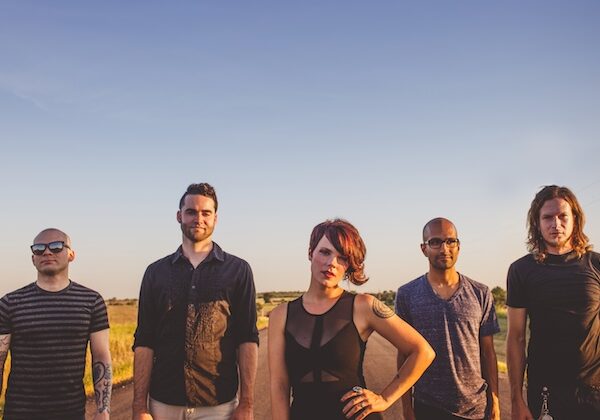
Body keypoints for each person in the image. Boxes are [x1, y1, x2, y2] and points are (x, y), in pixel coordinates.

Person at [269, 219, 435, 420]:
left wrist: (384, 398)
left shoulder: (364, 306)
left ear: (349, 265)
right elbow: (279, 384)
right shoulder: (281, 315)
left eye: (342, 258)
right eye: (325, 252)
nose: (332, 263)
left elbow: (422, 351)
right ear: (310, 252)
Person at [132, 183, 259, 420]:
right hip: (163, 403)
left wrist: (247, 404)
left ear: (215, 219)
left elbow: (247, 338)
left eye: (206, 213)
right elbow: (144, 340)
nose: (198, 218)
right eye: (191, 212)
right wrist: (139, 405)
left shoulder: (238, 271)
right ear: (179, 216)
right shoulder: (155, 272)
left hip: (218, 404)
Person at [506, 185, 600, 420]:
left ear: (575, 220)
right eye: (547, 217)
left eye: (562, 216)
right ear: (536, 223)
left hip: (595, 392)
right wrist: (517, 400)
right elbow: (516, 337)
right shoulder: (521, 270)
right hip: (546, 391)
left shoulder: (596, 265)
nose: (555, 224)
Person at [0, 228, 112, 420]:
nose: (47, 252)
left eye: (56, 246)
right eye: (38, 249)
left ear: (71, 255)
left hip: (71, 413)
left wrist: (103, 411)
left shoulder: (92, 301)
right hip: (19, 413)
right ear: (33, 258)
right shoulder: (9, 303)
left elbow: (101, 357)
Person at [395, 218, 500, 420]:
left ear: (458, 247)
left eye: (450, 241)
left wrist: (494, 402)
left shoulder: (481, 293)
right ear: (423, 249)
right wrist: (407, 409)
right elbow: (404, 356)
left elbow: (488, 352)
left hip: (475, 409)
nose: (444, 248)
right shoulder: (407, 294)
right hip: (428, 407)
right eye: (435, 242)